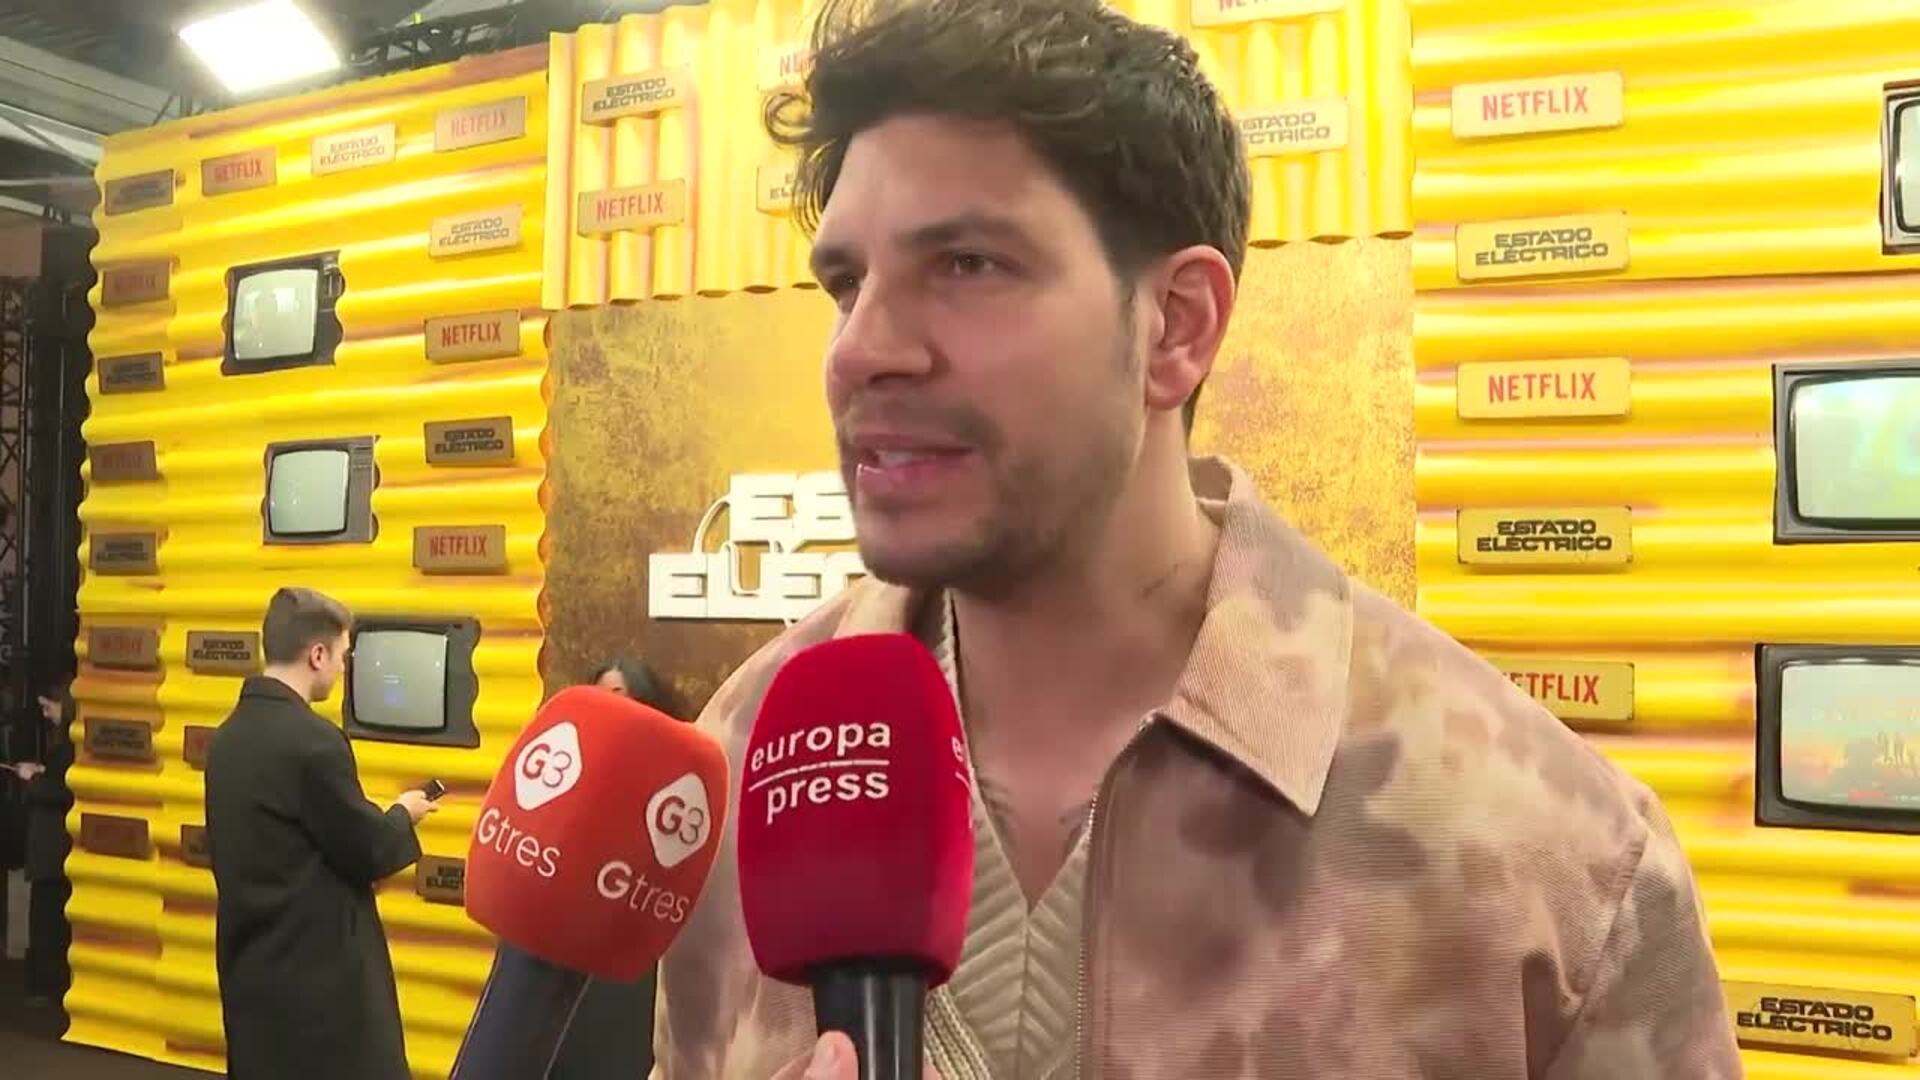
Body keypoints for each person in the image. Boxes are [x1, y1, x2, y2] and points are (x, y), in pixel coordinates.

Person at [653, 1, 1744, 1078]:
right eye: (848, 284)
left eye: (967, 265)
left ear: (1176, 326)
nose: (860, 351)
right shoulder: (736, 770)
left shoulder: (1552, 865)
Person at [204, 587, 440, 1080]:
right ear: (317, 654)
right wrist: (403, 814)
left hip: (250, 974)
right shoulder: (314, 742)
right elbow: (368, 849)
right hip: (321, 990)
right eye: (342, 655)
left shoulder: (225, 739)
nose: (342, 668)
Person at [8, 683, 75, 1006]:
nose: (46, 715)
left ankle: (46, 985)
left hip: (52, 846)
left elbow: (62, 791)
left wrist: (32, 778)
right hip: (54, 848)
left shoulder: (69, 746)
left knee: (47, 919)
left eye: (50, 707)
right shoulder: (69, 745)